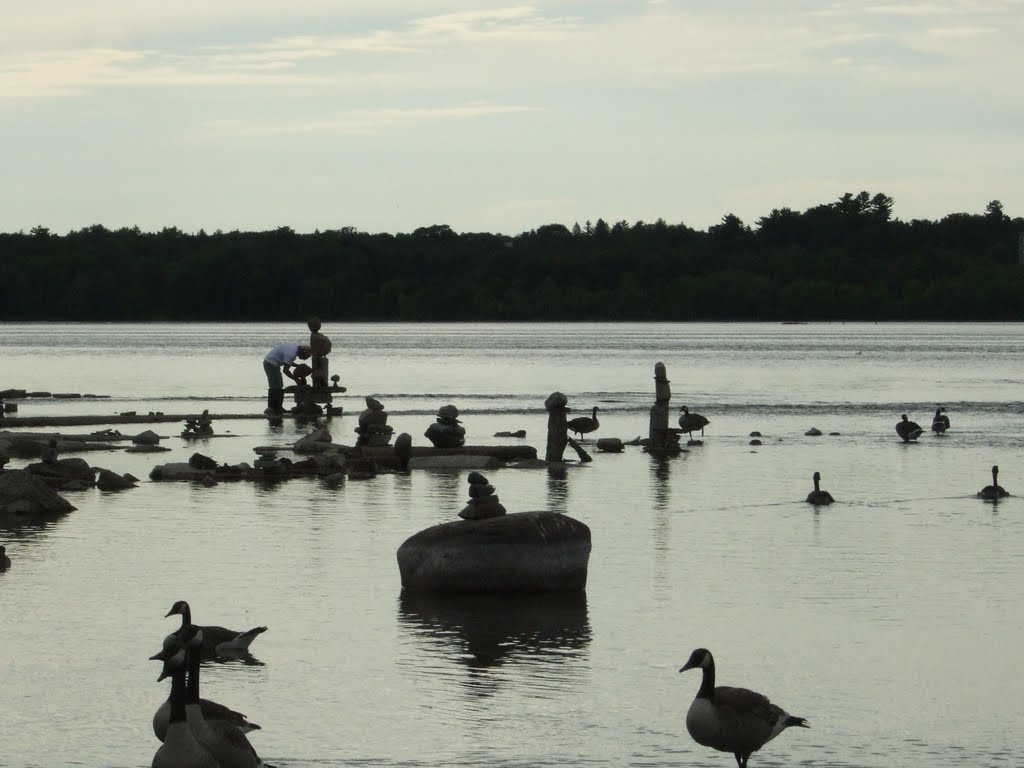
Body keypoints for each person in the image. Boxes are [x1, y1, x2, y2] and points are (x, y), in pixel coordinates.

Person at [263, 342, 311, 414]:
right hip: (270, 363)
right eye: (305, 357)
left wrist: (297, 366)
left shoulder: (295, 348)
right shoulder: (291, 354)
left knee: (278, 385)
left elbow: (287, 362)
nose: (304, 359)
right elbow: (285, 371)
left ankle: (277, 407)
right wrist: (296, 379)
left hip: (273, 362)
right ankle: (273, 408)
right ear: (303, 352)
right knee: (276, 385)